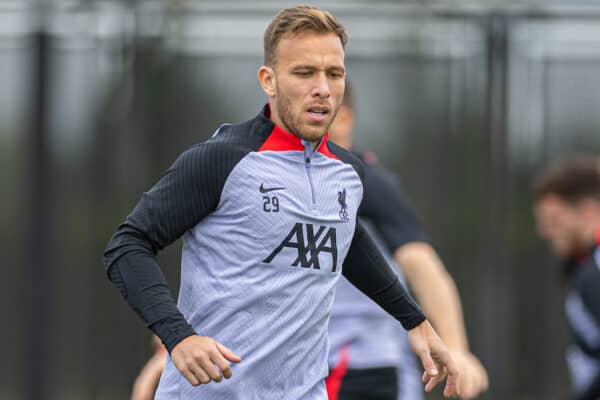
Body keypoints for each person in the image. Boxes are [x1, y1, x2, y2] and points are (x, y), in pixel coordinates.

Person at [103, 5, 459, 400]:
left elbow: (349, 243)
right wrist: (178, 337)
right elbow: (127, 246)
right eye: (305, 73)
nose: (322, 87)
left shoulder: (348, 174)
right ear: (268, 81)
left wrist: (416, 323)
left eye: (334, 74)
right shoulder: (222, 159)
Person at [324, 82, 488, 400]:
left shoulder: (363, 180)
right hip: (312, 365)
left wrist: (455, 347)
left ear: (343, 119)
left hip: (360, 369)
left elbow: (421, 263)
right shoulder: (286, 180)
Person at [533, 155, 600, 400]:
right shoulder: (582, 265)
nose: (544, 231)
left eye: (553, 220)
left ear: (587, 211)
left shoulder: (594, 271)